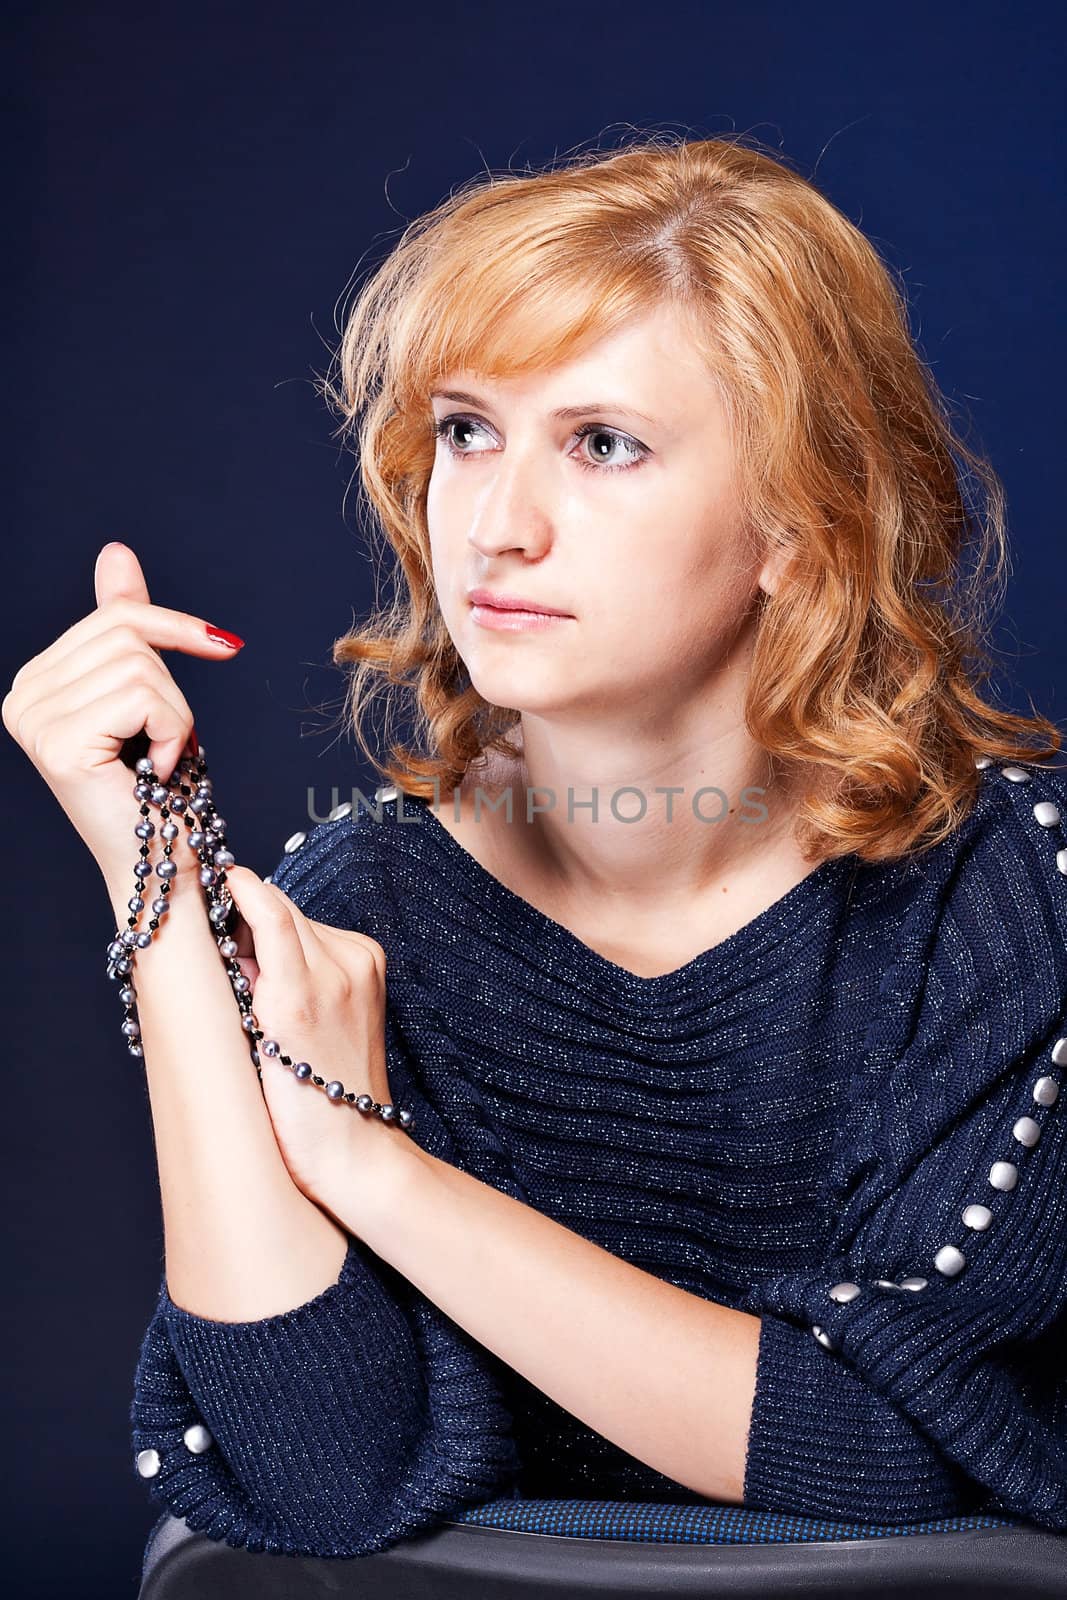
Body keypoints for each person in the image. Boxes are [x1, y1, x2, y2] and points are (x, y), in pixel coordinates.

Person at [5, 132, 1066, 1566]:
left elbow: (904, 1451)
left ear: (799, 527)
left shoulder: (1003, 895)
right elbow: (313, 1484)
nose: (497, 526)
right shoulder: (363, 905)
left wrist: (366, 1161)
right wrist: (166, 898)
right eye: (465, 430)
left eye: (604, 443)